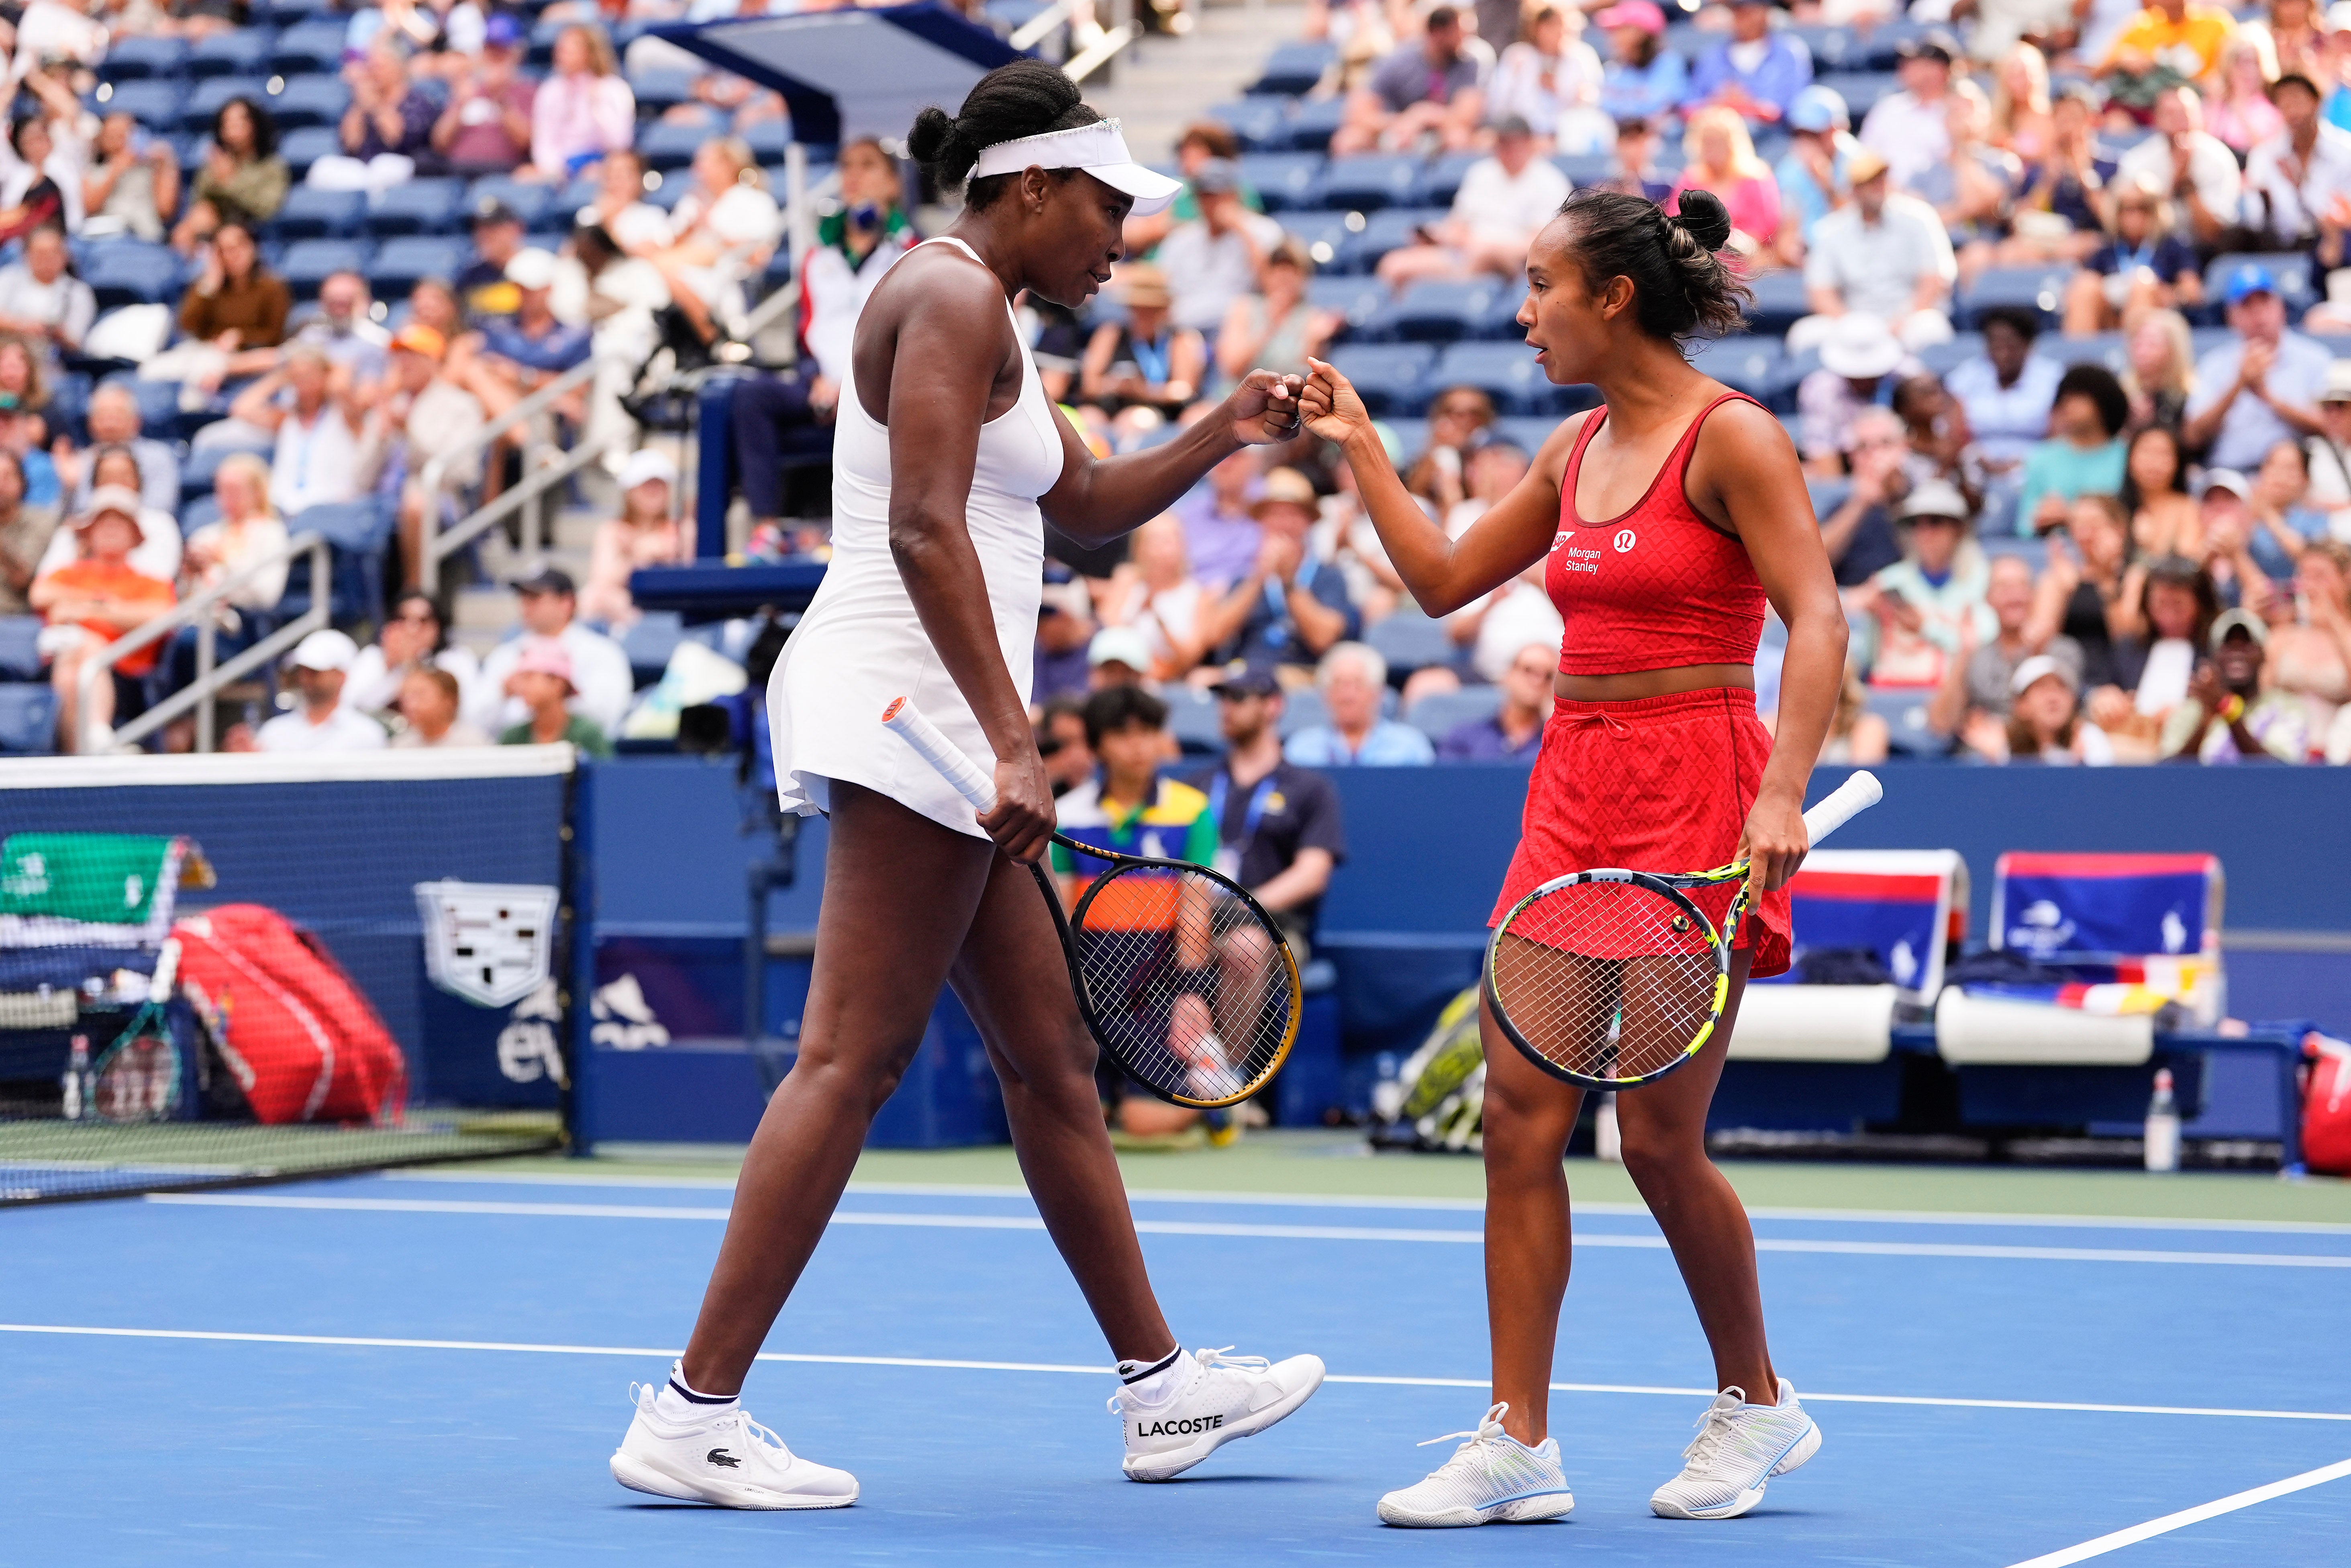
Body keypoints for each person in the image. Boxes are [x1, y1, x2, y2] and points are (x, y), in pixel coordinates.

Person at [622, 61, 1327, 1510]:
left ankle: (1160, 1389)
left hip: (941, 719)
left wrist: (1226, 430)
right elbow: (928, 531)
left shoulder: (986, 317)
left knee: (1051, 1062)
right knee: (851, 1062)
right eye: (1108, 210)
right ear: (1034, 184)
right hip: (913, 720)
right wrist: (1015, 741)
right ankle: (693, 1409)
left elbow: (1083, 515)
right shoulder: (943, 297)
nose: (1119, 243)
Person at [1301, 184, 1845, 1525]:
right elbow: (1437, 579)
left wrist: (1781, 793)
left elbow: (1818, 617)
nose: (1522, 310)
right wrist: (1362, 445)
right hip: (1570, 803)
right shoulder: (1569, 450)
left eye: (1540, 284)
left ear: (1611, 298)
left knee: (1657, 1138)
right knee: (1514, 1121)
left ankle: (1758, 1401)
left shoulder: (1736, 441)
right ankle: (1516, 1442)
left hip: (1695, 798)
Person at [729, 136, 916, 543]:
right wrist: (816, 377)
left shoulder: (912, 251)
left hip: (882, 387)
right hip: (822, 385)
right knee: (749, 397)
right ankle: (767, 528)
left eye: (867, 166)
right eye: (846, 166)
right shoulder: (819, 257)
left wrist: (857, 384)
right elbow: (806, 335)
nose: (853, 176)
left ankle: (873, 528)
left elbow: (911, 336)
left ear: (892, 184)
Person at [1190, 667, 1346, 953]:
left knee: (1244, 947)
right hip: (1197, 920)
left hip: (1274, 926)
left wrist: (1243, 904)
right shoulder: (1198, 785)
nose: (1226, 708)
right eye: (1222, 698)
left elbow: (1312, 874)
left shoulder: (1310, 788)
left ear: (1273, 705)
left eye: (1238, 697)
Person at [30, 487, 174, 752]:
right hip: (65, 667)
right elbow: (40, 594)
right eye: (103, 524)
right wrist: (108, 605)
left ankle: (84, 749)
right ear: (89, 534)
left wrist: (87, 609)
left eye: (119, 525)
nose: (110, 531)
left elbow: (162, 615)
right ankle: (94, 743)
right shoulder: (68, 573)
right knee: (75, 663)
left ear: (134, 536)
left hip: (128, 677)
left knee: (89, 647)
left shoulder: (152, 582)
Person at [1198, 466, 1357, 675]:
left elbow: (1323, 638)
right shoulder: (1245, 579)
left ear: (1308, 522)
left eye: (1292, 515)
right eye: (1274, 515)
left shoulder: (1329, 576)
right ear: (1261, 522)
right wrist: (1258, 578)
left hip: (1306, 678)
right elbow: (1215, 636)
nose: (1283, 525)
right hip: (1249, 677)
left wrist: (1289, 583)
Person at [1796, 149, 1958, 353]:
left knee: (1931, 329)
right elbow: (1820, 292)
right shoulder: (1831, 229)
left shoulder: (1919, 218)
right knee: (1804, 336)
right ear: (1853, 190)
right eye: (1869, 183)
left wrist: (1901, 321)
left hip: (1908, 319)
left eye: (1881, 179)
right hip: (1853, 322)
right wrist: (1852, 325)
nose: (1878, 188)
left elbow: (1934, 281)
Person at [1376, 116, 1570, 286]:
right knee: (1394, 265)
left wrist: (1485, 245)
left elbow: (1542, 244)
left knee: (1484, 256)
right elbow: (1459, 225)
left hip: (1517, 263)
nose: (1507, 149)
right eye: (1502, 142)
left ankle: (1455, 305)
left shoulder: (1549, 180)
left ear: (1528, 143)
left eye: (1513, 143)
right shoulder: (1481, 173)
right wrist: (1440, 236)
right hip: (1464, 255)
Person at [1927, 553, 2083, 756]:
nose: (2014, 595)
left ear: (2033, 594)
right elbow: (1940, 723)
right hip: (1982, 759)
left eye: (2022, 586)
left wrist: (2036, 651)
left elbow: (2063, 721)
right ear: (1988, 598)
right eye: (2004, 588)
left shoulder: (2062, 652)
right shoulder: (1977, 656)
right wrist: (1963, 653)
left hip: (2042, 756)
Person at [2182, 263, 2331, 474]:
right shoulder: (2213, 364)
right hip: (2227, 475)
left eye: (2265, 302)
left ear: (2281, 308)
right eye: (2247, 306)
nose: (2258, 313)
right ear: (2231, 317)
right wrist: (2238, 384)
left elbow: (2332, 428)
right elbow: (2192, 436)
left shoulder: (2315, 358)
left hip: (2293, 477)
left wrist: (2267, 396)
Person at [474, 565, 632, 736]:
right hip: (513, 754)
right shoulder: (505, 655)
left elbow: (608, 714)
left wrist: (551, 702)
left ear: (566, 603)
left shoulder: (602, 652)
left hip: (578, 753)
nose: (526, 604)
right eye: (523, 596)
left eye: (535, 597)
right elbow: (474, 722)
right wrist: (502, 692)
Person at [228, 345, 368, 518]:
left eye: (310, 374)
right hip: (284, 508)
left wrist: (335, 371)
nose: (303, 380)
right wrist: (281, 377)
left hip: (329, 509)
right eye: (298, 375)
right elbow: (241, 408)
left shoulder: (344, 416)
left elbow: (340, 388)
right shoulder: (287, 419)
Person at [1332, 5, 1489, 155]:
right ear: (1437, 33)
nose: (1463, 38)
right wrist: (1402, 122)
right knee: (1348, 140)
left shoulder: (1468, 65)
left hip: (1441, 134)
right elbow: (1358, 113)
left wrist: (1425, 115)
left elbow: (1467, 117)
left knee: (1458, 138)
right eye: (1457, 32)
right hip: (1396, 131)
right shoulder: (1397, 62)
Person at [1155, 158, 1284, 339]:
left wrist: (1241, 230)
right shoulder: (1182, 237)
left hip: (1236, 330)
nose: (1210, 204)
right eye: (1204, 196)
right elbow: (1158, 285)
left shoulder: (1264, 231)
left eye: (1217, 195)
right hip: (1182, 328)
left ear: (1234, 195)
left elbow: (1273, 287)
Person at [2027, 492, 2142, 692]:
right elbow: (2037, 645)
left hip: (2123, 682)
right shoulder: (2058, 578)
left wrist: (2108, 579)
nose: (2085, 533)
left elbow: (2127, 641)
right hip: (2069, 684)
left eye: (2094, 524)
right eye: (2078, 524)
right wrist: (2063, 593)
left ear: (2119, 530)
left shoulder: (2135, 576)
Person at [2161, 606, 2307, 761]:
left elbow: (2282, 776)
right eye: (2228, 646)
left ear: (2264, 656)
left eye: (2247, 645)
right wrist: (2205, 720)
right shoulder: (2191, 711)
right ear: (2214, 657)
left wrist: (2228, 709)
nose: (2237, 653)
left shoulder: (2286, 708)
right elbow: (2169, 777)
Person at [1080, 263, 1208, 433]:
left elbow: (1185, 389)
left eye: (1152, 310)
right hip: (1114, 406)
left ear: (1164, 310)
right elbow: (1090, 385)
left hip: (1166, 411)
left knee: (1139, 420)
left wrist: (1144, 391)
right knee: (1087, 419)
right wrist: (1115, 385)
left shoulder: (1181, 338)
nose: (1144, 316)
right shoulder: (1111, 334)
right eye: (1138, 309)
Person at [2115, 86, 2241, 247]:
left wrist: (2187, 186)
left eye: (2184, 113)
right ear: (2156, 118)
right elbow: (2128, 225)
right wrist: (2174, 180)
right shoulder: (2138, 159)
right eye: (2169, 114)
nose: (2177, 121)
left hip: (2205, 250)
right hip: (2153, 249)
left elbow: (2215, 233)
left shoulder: (2218, 158)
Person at [311, 39, 442, 194]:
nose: (373, 73)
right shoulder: (363, 101)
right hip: (364, 168)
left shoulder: (418, 101)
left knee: (382, 167)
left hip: (405, 164)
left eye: (379, 67)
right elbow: (351, 145)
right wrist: (359, 105)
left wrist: (377, 107)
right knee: (323, 167)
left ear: (398, 68)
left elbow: (396, 139)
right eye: (370, 68)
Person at [2016, 366, 2131, 538]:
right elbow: (2024, 526)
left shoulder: (2128, 457)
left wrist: (2071, 516)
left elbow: (2133, 517)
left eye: (2077, 399)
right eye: (2064, 400)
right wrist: (2043, 518)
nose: (2067, 406)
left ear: (2102, 402)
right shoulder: (2041, 458)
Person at [2241, 71, 2351, 251]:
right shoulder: (2264, 156)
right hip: (2279, 248)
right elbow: (2255, 221)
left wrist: (2302, 188)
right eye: (2285, 105)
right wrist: (2261, 201)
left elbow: (2342, 217)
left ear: (2317, 102)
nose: (2293, 112)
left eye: (2298, 101)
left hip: (2333, 245)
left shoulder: (2345, 152)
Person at [582, 448, 689, 628]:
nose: (653, 491)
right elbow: (601, 580)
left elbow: (690, 576)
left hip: (671, 602)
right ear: (629, 492)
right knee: (592, 597)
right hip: (628, 608)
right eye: (646, 485)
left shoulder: (683, 530)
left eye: (659, 485)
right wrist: (638, 558)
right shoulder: (612, 531)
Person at [1098, 512, 1210, 680]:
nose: (1163, 549)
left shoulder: (1197, 595)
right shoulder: (1126, 579)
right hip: (1118, 673)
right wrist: (1137, 612)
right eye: (1155, 540)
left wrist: (1159, 620)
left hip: (1168, 680)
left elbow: (1190, 658)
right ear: (1139, 547)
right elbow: (1103, 631)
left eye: (1170, 540)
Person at [1282, 640, 1432, 765]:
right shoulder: (1301, 748)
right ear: (1325, 695)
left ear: (1378, 693)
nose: (1348, 695)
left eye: (1358, 684)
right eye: (1338, 685)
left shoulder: (1410, 746)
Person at [1488, 5, 1611, 154]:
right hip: (1523, 135)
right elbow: (1497, 104)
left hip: (1570, 137)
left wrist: (1561, 90)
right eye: (1550, 25)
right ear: (1536, 28)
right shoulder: (1518, 55)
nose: (1557, 32)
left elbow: (1596, 101)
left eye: (1561, 25)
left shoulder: (1583, 56)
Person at [1217, 238, 1338, 388]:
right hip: (1239, 393)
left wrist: (1315, 341)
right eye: (1278, 269)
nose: (1284, 278)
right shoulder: (1244, 307)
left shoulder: (1312, 317)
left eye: (1292, 271)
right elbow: (1232, 369)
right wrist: (1270, 325)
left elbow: (1306, 376)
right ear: (1267, 274)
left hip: (1287, 397)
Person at [174, 220, 291, 375]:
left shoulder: (272, 287)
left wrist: (240, 337)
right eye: (224, 250)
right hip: (209, 353)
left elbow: (275, 334)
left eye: (238, 247)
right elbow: (187, 325)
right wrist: (209, 286)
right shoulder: (207, 286)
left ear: (253, 248)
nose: (233, 255)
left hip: (253, 355)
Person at [1796, 314, 1907, 473]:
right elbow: (1822, 450)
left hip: (1902, 467)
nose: (1863, 379)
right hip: (1843, 466)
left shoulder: (1907, 378)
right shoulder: (1820, 388)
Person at [247, 628, 390, 752]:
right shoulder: (273, 733)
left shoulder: (367, 735)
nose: (305, 678)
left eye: (315, 672)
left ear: (342, 676)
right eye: (302, 671)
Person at [346, 588, 483, 716]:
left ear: (438, 627)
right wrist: (391, 664)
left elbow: (464, 710)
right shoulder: (374, 657)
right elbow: (352, 707)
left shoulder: (457, 659)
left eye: (423, 621)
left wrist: (412, 665)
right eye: (403, 619)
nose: (412, 629)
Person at [2266, 538, 2351, 746]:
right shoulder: (2284, 634)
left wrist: (2334, 622)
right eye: (2304, 576)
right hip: (2281, 749)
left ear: (2347, 579)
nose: (2310, 586)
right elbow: (2263, 697)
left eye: (2320, 576)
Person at [173, 97, 287, 251]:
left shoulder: (271, 167)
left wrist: (230, 182)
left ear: (254, 125)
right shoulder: (214, 164)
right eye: (227, 122)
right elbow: (198, 200)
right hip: (212, 234)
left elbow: (267, 209)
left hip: (254, 234)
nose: (233, 127)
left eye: (240, 121)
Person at [431, 12, 535, 176]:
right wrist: (461, 103)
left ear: (516, 54)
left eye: (502, 52)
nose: (494, 57)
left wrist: (501, 100)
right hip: (458, 171)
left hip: (502, 172)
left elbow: (526, 143)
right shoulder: (467, 88)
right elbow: (440, 142)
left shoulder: (527, 90)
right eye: (489, 50)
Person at [1817, 407, 1908, 585]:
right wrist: (1861, 502)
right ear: (1852, 457)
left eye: (1886, 444)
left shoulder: (1924, 493)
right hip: (1854, 600)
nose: (1875, 454)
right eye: (1863, 447)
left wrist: (1894, 496)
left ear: (1904, 448)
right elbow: (1811, 567)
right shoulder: (1835, 502)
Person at [531, 24, 635, 181]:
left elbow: (620, 142)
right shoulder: (549, 90)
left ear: (590, 53)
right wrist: (557, 169)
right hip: (560, 167)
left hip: (601, 163)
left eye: (570, 50)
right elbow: (543, 142)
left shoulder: (613, 88)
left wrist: (597, 105)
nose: (562, 56)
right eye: (560, 50)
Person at [59, 382, 179, 517]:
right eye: (102, 416)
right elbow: (71, 517)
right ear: (90, 424)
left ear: (136, 421)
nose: (110, 424)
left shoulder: (158, 457)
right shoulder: (80, 462)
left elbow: (161, 508)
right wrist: (70, 489)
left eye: (117, 415)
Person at [1860, 30, 1959, 191]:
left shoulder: (1959, 111)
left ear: (1937, 70)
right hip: (1884, 199)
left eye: (1914, 63)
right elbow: (1865, 157)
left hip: (1937, 201)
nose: (1904, 68)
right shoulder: (1889, 108)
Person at [1685, 0, 1812, 124]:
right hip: (1720, 133)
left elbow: (1797, 107)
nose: (1744, 17)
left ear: (1766, 13)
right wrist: (1719, 101)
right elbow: (1691, 106)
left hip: (1776, 136)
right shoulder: (1711, 55)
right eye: (1739, 11)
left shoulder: (1790, 52)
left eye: (1751, 10)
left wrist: (1750, 106)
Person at [1671, 108, 1780, 251]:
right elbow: (1675, 219)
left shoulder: (1756, 178)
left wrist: (1733, 241)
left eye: (1719, 142)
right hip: (1698, 255)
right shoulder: (1691, 179)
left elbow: (1766, 228)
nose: (1712, 149)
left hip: (1745, 257)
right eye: (1707, 142)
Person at [1437, 640, 1555, 760]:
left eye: (1548, 676)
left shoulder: (1557, 744)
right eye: (1529, 670)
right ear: (1508, 675)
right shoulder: (1465, 737)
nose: (1538, 682)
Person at [498, 638, 614, 756]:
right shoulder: (513, 738)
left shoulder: (588, 734)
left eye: (529, 677)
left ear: (558, 684)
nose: (521, 686)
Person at [82, 111, 179, 243]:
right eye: (112, 136)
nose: (118, 142)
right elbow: (90, 207)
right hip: (107, 239)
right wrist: (117, 169)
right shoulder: (93, 171)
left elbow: (166, 211)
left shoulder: (152, 169)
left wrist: (166, 167)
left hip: (146, 237)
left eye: (123, 136)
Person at [2004, 653, 2116, 764]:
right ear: (2021, 704)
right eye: (2042, 689)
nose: (2053, 698)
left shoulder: (2090, 739)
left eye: (2061, 687)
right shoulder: (2004, 745)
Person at [0, 226, 91, 359]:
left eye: (53, 253)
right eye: (40, 254)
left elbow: (76, 342)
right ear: (26, 255)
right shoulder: (8, 278)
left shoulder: (78, 292)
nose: (46, 260)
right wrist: (24, 326)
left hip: (52, 361)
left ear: (65, 256)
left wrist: (53, 332)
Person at [2122, 422, 2202, 558]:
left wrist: (2151, 546)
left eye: (2164, 454)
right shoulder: (2116, 508)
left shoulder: (2187, 508)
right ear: (2130, 458)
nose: (2154, 462)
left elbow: (2189, 561)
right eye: (2147, 452)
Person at [2120, 306, 2196, 432]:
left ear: (2174, 350)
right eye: (2138, 343)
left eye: (2152, 344)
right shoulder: (2123, 394)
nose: (2142, 352)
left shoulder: (2194, 395)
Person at [0, 450, 55, 618]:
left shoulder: (42, 521)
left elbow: (22, 580)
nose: (0, 484)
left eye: (7, 477)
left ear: (22, 481)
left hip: (15, 617)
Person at [392, 664, 492, 746]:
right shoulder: (402, 746)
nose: (411, 705)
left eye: (421, 695)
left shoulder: (473, 744)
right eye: (406, 697)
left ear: (449, 701)